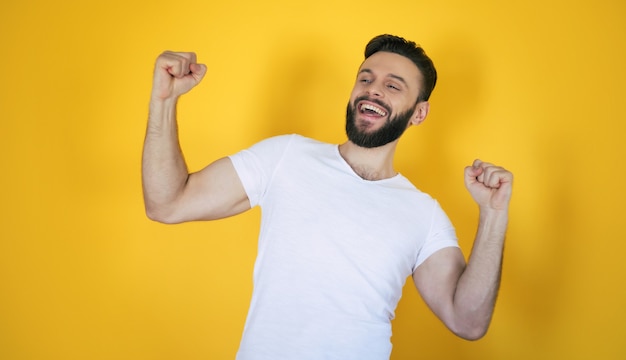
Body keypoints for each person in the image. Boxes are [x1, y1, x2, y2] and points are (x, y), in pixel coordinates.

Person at [142, 34, 513, 360]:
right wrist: (164, 100)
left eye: (393, 85)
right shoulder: (286, 156)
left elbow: (467, 321)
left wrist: (493, 214)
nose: (373, 89)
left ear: (419, 113)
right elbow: (168, 203)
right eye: (365, 78)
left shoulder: (423, 214)